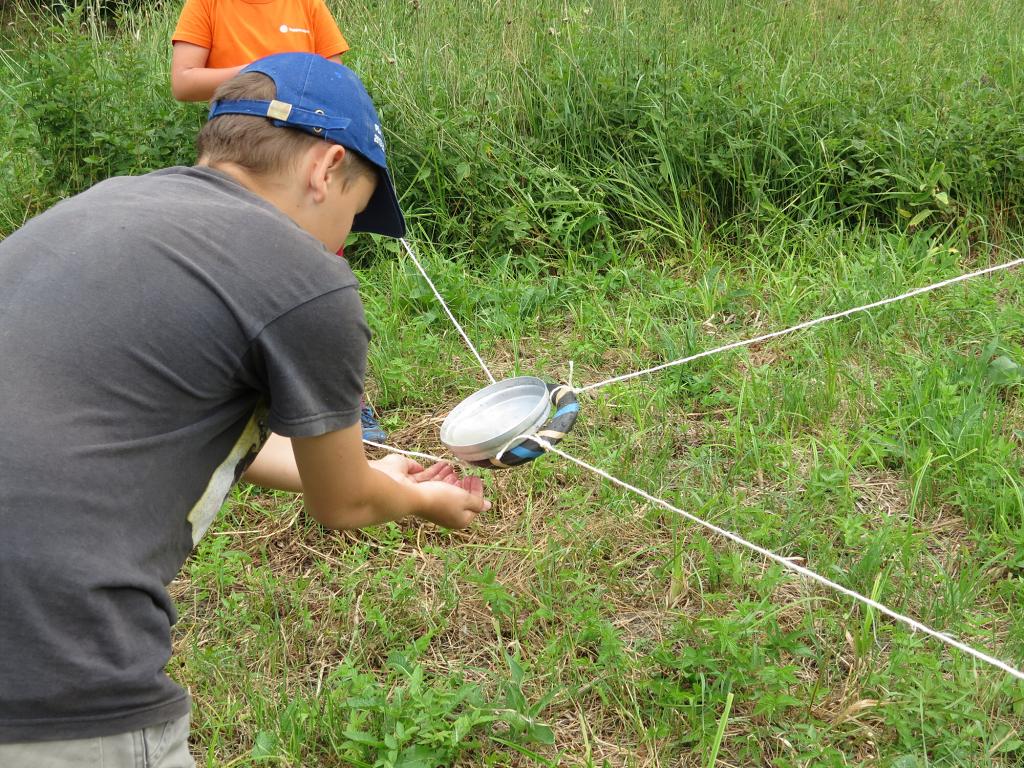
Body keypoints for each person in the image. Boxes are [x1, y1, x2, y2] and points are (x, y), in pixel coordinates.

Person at [0, 53, 489, 767]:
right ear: (326, 169)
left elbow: (171, 418)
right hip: (52, 669)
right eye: (352, 214)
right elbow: (344, 504)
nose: (342, 243)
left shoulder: (94, 209)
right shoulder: (306, 276)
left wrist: (372, 463)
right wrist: (413, 500)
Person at [170, 0, 391, 442]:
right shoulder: (206, 5)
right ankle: (248, 404)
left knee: (321, 279)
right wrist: (270, 72)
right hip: (252, 160)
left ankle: (347, 405)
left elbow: (332, 79)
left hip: (311, 174)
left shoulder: (307, 4)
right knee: (241, 281)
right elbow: (184, 81)